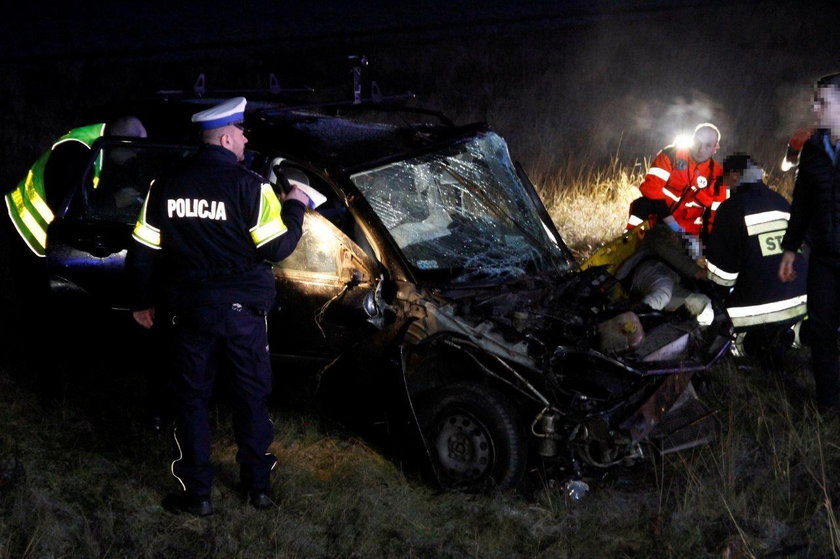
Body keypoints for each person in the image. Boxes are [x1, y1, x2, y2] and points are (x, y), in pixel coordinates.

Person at [127, 97, 310, 516]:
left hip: (189, 314)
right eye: (242, 132)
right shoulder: (253, 187)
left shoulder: (165, 186)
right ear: (226, 137)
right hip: (243, 315)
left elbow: (142, 250)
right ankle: (258, 489)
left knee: (191, 400)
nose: (246, 140)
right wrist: (296, 204)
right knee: (251, 398)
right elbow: (278, 247)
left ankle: (198, 496)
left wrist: (140, 302)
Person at [706, 153, 807, 368]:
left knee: (712, 307)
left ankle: (750, 344)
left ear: (734, 175)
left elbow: (723, 276)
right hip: (799, 303)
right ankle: (793, 335)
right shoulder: (780, 201)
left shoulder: (732, 208)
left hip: (754, 314)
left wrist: (711, 286)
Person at [779, 72, 840, 414]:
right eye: (815, 100)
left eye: (824, 101)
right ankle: (829, 404)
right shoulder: (814, 149)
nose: (815, 107)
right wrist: (790, 248)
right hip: (824, 257)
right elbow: (801, 204)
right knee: (820, 330)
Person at [626, 123, 726, 242]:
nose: (700, 149)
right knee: (642, 204)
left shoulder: (718, 175)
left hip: (687, 233)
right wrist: (672, 224)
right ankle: (628, 241)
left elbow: (716, 216)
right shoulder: (671, 154)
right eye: (697, 142)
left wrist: (707, 244)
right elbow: (651, 188)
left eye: (708, 146)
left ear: (716, 148)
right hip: (657, 219)